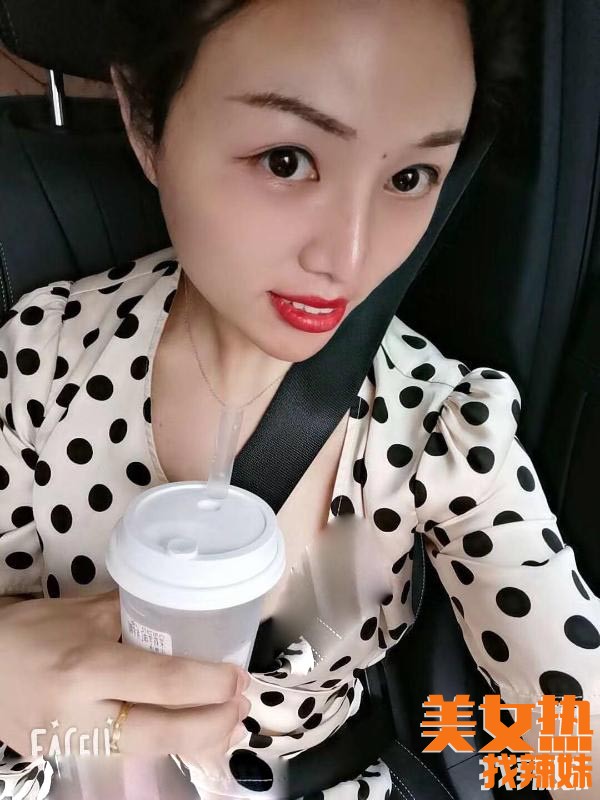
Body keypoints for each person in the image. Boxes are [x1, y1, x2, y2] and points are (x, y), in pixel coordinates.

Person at [0, 0, 598, 798]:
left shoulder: (438, 427)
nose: (348, 256)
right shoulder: (42, 358)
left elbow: (576, 725)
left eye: (409, 178)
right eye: (287, 160)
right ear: (145, 120)